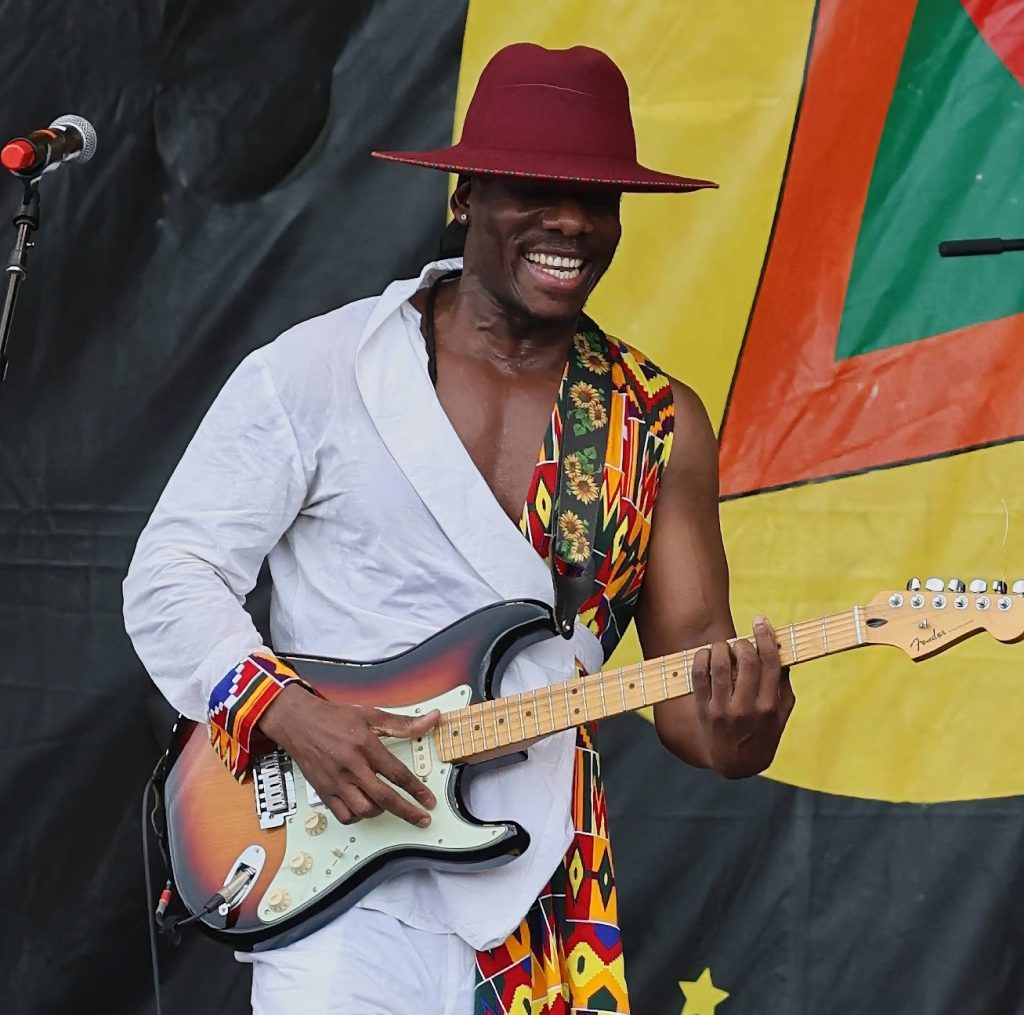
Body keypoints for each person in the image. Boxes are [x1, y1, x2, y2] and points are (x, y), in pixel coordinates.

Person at [123, 42, 795, 1015]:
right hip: (331, 882)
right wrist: (287, 711)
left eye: (597, 198)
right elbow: (171, 572)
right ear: (466, 195)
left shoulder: (656, 422)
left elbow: (695, 689)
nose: (572, 222)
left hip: (544, 889)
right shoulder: (320, 371)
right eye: (536, 190)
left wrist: (744, 731)